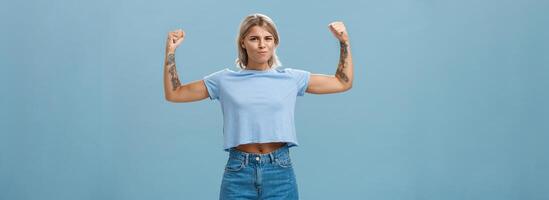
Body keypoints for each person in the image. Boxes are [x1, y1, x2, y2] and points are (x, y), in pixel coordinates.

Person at [163, 13, 353, 200]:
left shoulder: (291, 78)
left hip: (280, 170)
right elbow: (175, 93)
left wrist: (344, 42)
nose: (262, 44)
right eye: (254, 38)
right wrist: (170, 52)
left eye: (268, 38)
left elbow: (341, 82)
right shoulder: (224, 80)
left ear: (275, 43)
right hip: (238, 171)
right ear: (243, 43)